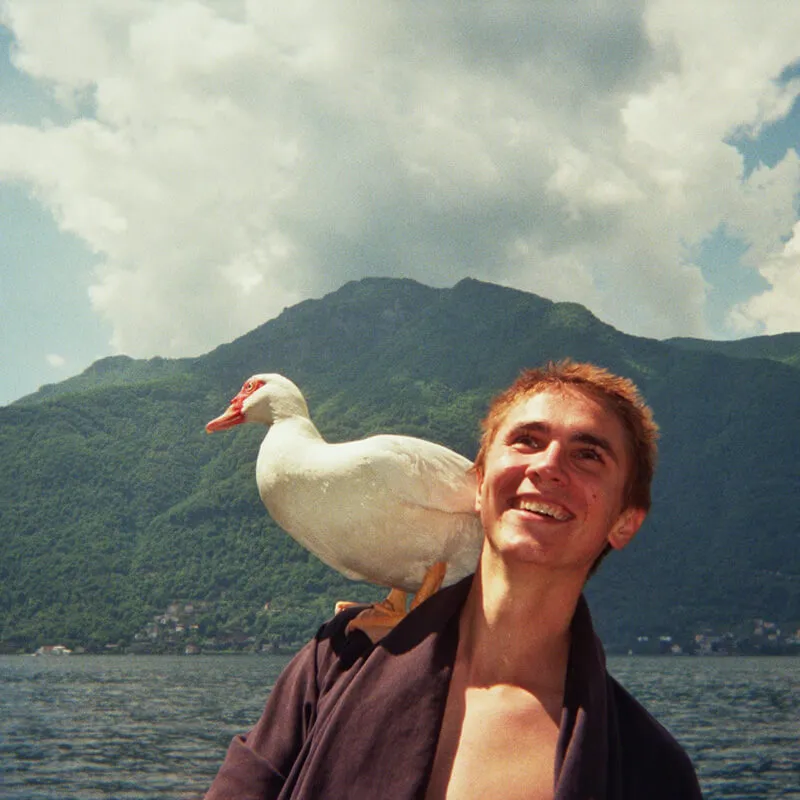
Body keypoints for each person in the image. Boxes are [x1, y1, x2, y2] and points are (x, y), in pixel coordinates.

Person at [204, 360, 703, 799]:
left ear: (626, 521)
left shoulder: (650, 769)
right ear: (478, 482)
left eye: (588, 454)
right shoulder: (332, 666)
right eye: (527, 440)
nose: (548, 466)